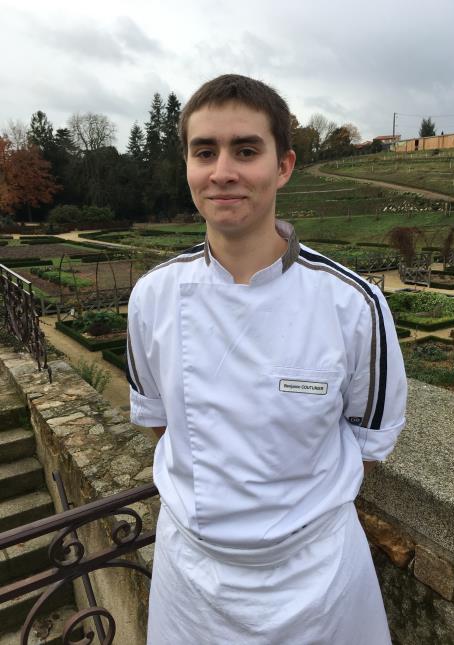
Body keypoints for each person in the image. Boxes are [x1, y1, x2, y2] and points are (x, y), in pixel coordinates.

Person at [127, 74, 407, 645]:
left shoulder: (353, 303)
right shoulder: (151, 297)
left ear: (283, 166)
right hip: (192, 581)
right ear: (187, 166)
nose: (223, 170)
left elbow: (369, 444)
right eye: (205, 151)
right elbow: (160, 421)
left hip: (317, 581)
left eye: (246, 150)